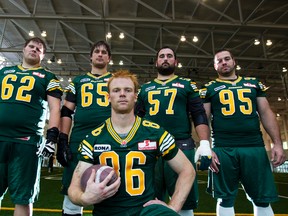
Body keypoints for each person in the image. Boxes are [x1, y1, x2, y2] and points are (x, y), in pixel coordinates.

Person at [68, 70, 196, 216]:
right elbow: (73, 188)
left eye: (128, 90)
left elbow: (187, 170)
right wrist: (85, 198)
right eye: (116, 90)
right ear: (108, 97)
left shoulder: (155, 133)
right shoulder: (92, 138)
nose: (122, 94)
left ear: (135, 96)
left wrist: (173, 206)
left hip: (144, 212)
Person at [200, 49, 286, 216]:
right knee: (225, 198)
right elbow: (204, 119)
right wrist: (207, 147)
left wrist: (277, 143)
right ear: (214, 65)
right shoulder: (209, 88)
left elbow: (266, 113)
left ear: (234, 61)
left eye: (227, 59)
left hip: (254, 145)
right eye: (219, 60)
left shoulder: (253, 84)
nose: (224, 62)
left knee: (262, 198)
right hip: (223, 147)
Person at [135, 46, 211, 216]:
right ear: (156, 62)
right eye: (162, 56)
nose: (165, 59)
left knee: (184, 202)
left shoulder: (187, 85)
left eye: (169, 56)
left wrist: (205, 143)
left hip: (180, 145)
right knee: (148, 200)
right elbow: (136, 120)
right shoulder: (145, 89)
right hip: (149, 147)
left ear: (176, 62)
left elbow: (199, 114)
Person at [0, 37, 62, 216]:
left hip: (26, 142)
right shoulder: (4, 71)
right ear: (23, 49)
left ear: (42, 56)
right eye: (31, 46)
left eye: (39, 49)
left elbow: (54, 108)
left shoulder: (48, 77)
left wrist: (52, 137)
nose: (34, 50)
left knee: (24, 197)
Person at [56, 40, 113, 216]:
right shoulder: (78, 81)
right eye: (97, 51)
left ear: (109, 58)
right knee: (73, 188)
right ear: (91, 56)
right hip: (80, 138)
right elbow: (67, 111)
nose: (100, 54)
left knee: (110, 187)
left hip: (110, 137)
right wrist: (63, 139)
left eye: (104, 52)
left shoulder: (115, 80)